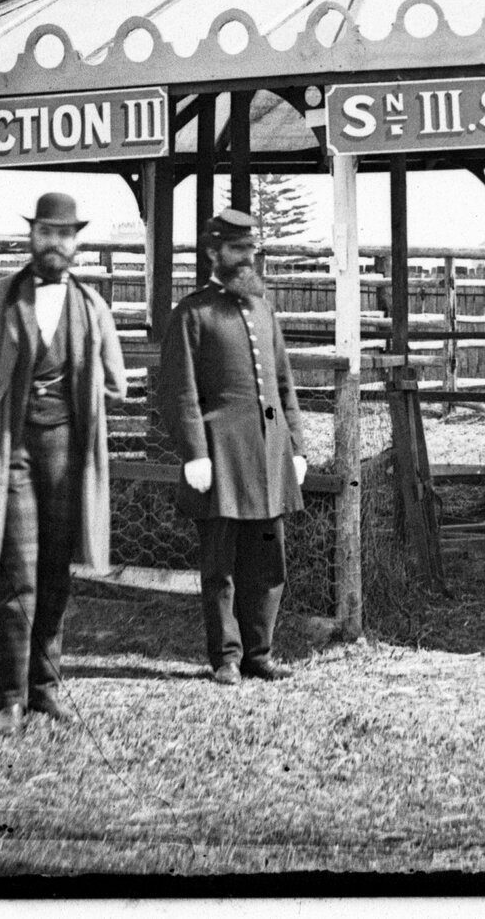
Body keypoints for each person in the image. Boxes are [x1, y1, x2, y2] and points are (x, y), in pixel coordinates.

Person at [0, 190, 128, 734]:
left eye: (64, 235)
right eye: (45, 232)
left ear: (76, 244)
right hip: (13, 454)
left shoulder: (91, 307)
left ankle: (45, 689)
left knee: (55, 575)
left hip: (68, 455)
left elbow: (115, 383)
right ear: (31, 237)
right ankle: (10, 700)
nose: (54, 243)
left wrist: (77, 398)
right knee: (17, 575)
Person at [159, 206, 310, 685]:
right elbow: (179, 391)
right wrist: (195, 453)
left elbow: (283, 384)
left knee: (267, 559)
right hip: (220, 456)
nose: (247, 257)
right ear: (214, 252)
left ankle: (259, 654)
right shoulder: (192, 313)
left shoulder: (264, 309)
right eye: (237, 249)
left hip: (267, 454)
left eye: (251, 248)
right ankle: (226, 656)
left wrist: (296, 446)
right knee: (220, 565)